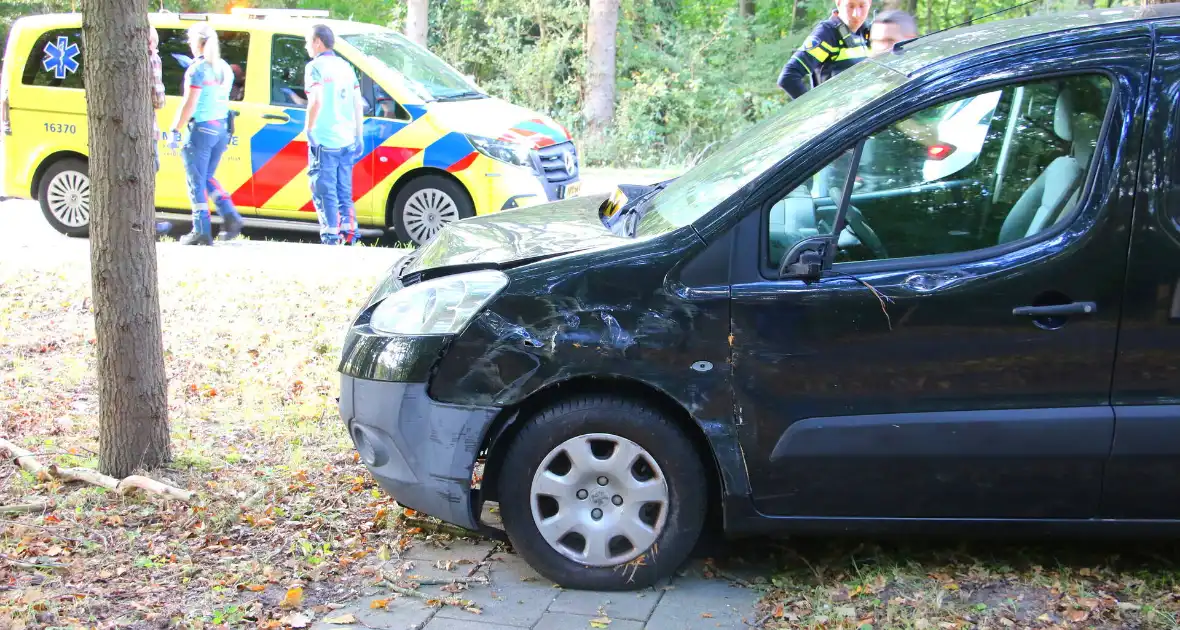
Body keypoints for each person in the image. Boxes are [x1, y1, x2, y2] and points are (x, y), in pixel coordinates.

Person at [167, 23, 244, 246]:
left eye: (191, 41)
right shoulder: (224, 68)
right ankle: (230, 214)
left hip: (201, 129)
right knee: (207, 176)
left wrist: (175, 129)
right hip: (221, 128)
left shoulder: (197, 69)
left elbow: (190, 104)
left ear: (199, 43)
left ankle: (201, 230)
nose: (190, 45)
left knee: (196, 181)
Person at [303, 24, 364, 245]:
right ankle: (349, 234)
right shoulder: (346, 66)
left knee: (324, 189)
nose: (307, 46)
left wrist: (309, 129)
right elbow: (358, 104)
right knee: (343, 190)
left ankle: (330, 236)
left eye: (308, 41)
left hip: (325, 139)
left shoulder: (314, 67)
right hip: (347, 138)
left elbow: (316, 100)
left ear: (318, 41)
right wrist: (359, 135)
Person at [778, 0, 872, 99]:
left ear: (869, 3)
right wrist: (812, 108)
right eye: (850, 6)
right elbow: (788, 77)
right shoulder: (827, 33)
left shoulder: (866, 31)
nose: (856, 14)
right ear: (838, 3)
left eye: (862, 6)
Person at [148, 25, 173, 238]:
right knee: (150, 169)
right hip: (147, 127)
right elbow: (158, 97)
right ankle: (148, 222)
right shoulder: (152, 58)